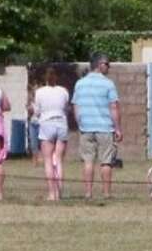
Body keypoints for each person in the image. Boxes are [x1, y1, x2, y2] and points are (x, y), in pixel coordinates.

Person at [72, 53, 122, 200]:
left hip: (86, 128)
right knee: (106, 161)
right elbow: (114, 107)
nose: (109, 67)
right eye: (107, 64)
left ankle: (88, 193)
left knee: (88, 161)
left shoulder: (80, 84)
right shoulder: (108, 84)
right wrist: (117, 128)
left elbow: (76, 106)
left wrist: (80, 123)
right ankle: (106, 193)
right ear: (100, 65)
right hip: (105, 128)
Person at [33, 67, 70, 202]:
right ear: (56, 77)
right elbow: (66, 108)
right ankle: (59, 193)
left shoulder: (39, 92)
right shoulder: (63, 91)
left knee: (48, 160)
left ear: (45, 78)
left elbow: (37, 111)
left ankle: (51, 193)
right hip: (61, 123)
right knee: (58, 160)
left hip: (47, 124)